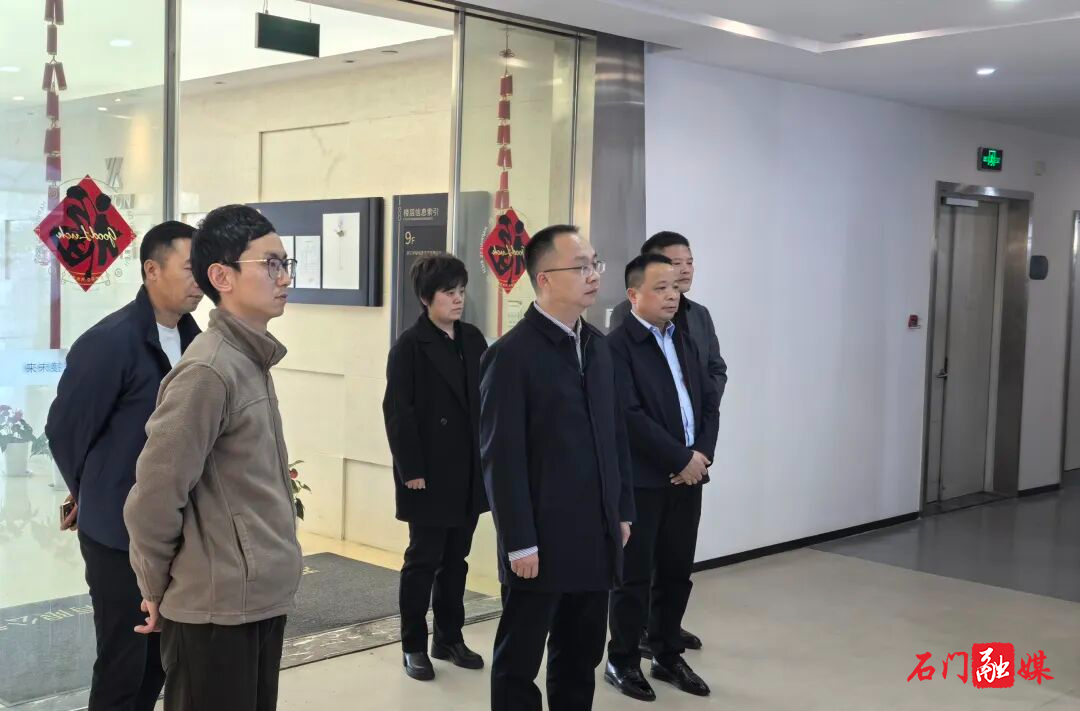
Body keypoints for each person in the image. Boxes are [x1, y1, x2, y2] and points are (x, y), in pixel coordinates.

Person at [123, 204, 301, 711]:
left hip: (256, 598)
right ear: (222, 276)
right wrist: (156, 586)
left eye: (286, 263)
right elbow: (154, 497)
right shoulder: (209, 370)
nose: (284, 277)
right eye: (270, 264)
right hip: (215, 610)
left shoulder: (249, 358)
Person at [46, 220, 202, 711]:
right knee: (123, 660)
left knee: (159, 658)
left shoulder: (198, 341)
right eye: (190, 268)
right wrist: (89, 492)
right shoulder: (110, 341)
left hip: (172, 529)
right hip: (117, 534)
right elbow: (66, 430)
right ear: (152, 270)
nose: (200, 279)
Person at [481, 224, 635, 711]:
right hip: (540, 540)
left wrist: (622, 511)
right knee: (519, 661)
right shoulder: (511, 356)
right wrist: (519, 540)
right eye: (581, 266)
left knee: (579, 656)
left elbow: (616, 437)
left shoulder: (599, 347)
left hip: (595, 535)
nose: (594, 275)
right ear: (544, 278)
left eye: (595, 264)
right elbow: (501, 457)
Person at [604, 254, 719, 701]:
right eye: (660, 288)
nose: (672, 295)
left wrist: (701, 456)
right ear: (633, 295)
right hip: (644, 481)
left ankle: (667, 654)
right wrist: (679, 458)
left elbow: (708, 402)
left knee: (676, 571)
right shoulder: (617, 346)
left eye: (675, 287)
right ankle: (622, 659)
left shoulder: (683, 338)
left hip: (688, 478)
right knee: (634, 578)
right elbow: (628, 415)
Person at [383, 254, 490, 681]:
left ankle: (448, 637)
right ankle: (413, 644)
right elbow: (398, 412)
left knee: (456, 559)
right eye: (449, 292)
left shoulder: (473, 339)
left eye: (462, 291)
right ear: (427, 298)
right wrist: (411, 469)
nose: (458, 299)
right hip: (427, 473)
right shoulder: (410, 346)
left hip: (468, 470)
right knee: (423, 560)